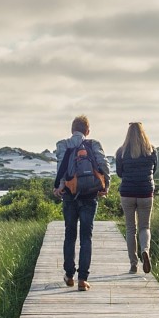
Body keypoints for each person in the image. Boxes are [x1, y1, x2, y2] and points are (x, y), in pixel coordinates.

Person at [53, 115, 109, 291]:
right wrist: (105, 186)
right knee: (86, 237)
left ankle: (69, 275)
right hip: (90, 196)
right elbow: (104, 165)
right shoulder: (94, 144)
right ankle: (82, 280)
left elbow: (61, 167)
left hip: (69, 195)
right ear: (88, 130)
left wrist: (60, 186)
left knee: (70, 235)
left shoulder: (63, 144)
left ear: (72, 130)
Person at [114, 122, 157, 273]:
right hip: (146, 192)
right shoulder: (151, 150)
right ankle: (145, 250)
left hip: (127, 192)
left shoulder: (121, 151)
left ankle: (133, 264)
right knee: (145, 227)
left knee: (131, 228)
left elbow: (119, 173)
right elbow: (154, 170)